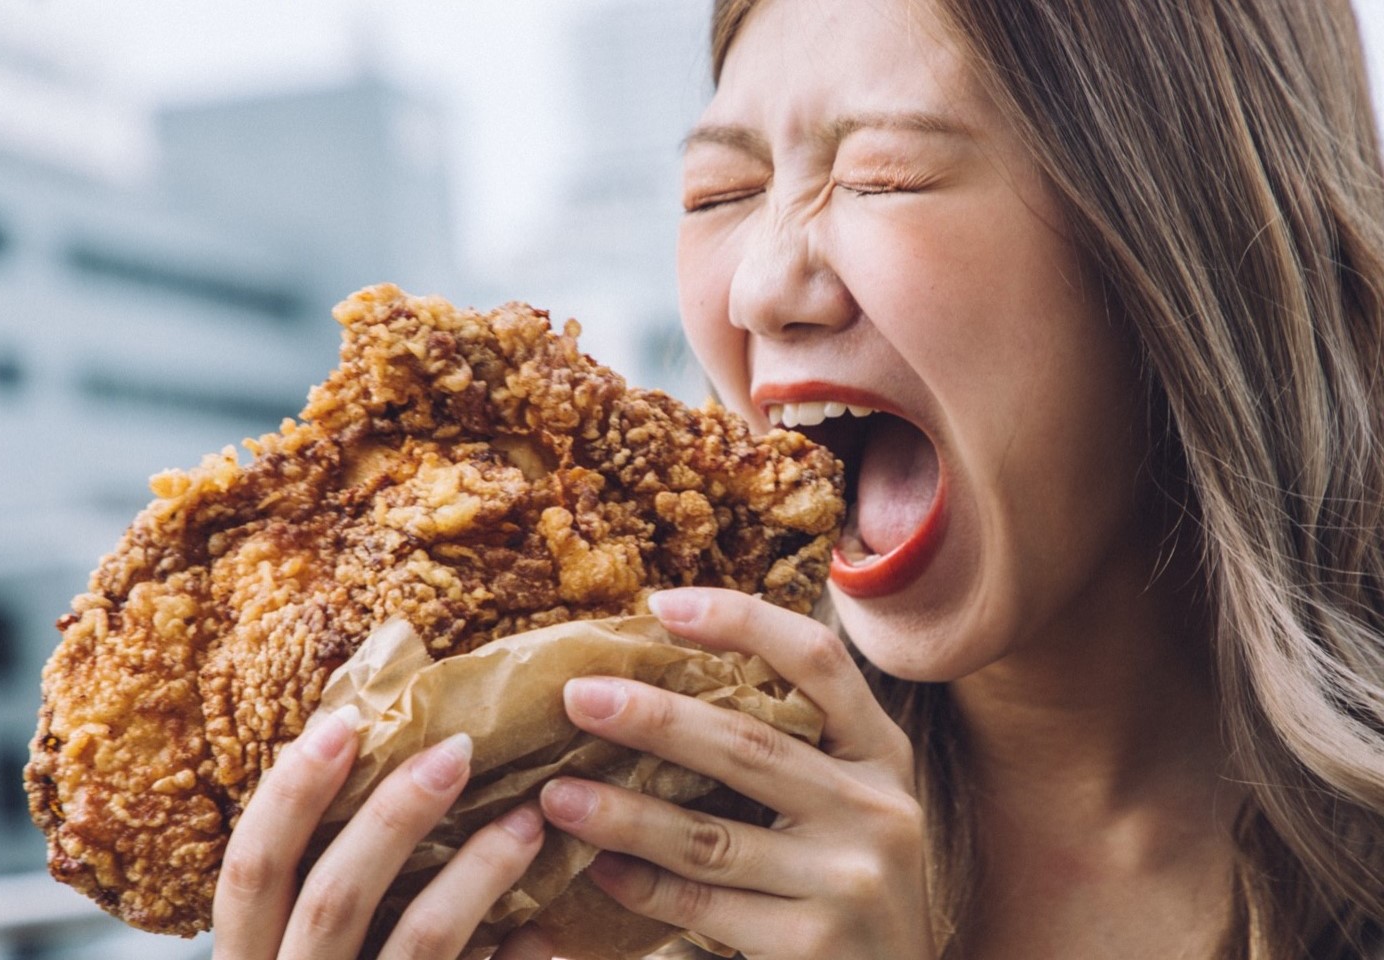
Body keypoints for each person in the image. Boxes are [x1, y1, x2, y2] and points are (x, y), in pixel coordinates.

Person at [208, 0, 1384, 956]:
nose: (760, 288)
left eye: (881, 176)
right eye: (720, 195)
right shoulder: (583, 849)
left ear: (1182, 244)